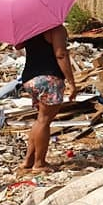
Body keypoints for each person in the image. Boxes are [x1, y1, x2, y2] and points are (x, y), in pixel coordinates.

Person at [17, 24, 77, 172]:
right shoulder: (56, 29)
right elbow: (61, 54)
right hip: (48, 78)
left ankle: (28, 161)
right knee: (44, 121)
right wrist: (71, 82)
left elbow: (17, 45)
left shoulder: (29, 27)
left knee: (40, 120)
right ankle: (40, 163)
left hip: (29, 79)